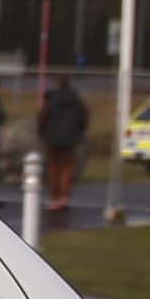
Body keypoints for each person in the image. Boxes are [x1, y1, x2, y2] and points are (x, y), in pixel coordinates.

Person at [38, 75, 90, 219]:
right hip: (70, 138)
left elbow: (42, 117)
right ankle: (64, 198)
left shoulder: (50, 99)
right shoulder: (76, 100)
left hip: (52, 137)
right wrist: (79, 133)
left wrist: (42, 133)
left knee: (53, 168)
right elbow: (83, 118)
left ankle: (54, 198)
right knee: (67, 168)